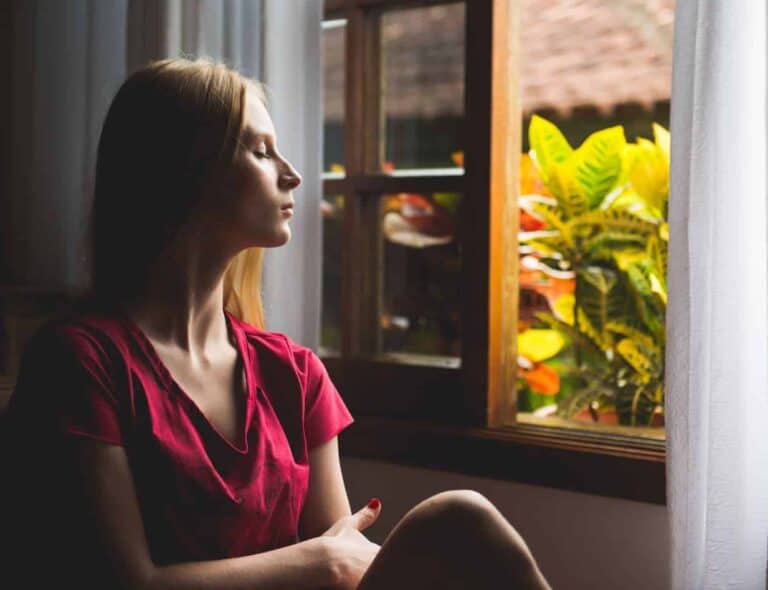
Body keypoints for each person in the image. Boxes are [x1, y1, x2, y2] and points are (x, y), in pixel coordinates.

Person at [0, 57, 551, 589]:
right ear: (185, 168)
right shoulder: (81, 361)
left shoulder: (292, 372)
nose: (292, 175)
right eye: (262, 152)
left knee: (460, 519)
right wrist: (321, 562)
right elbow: (125, 582)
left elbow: (346, 565)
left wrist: (331, 564)